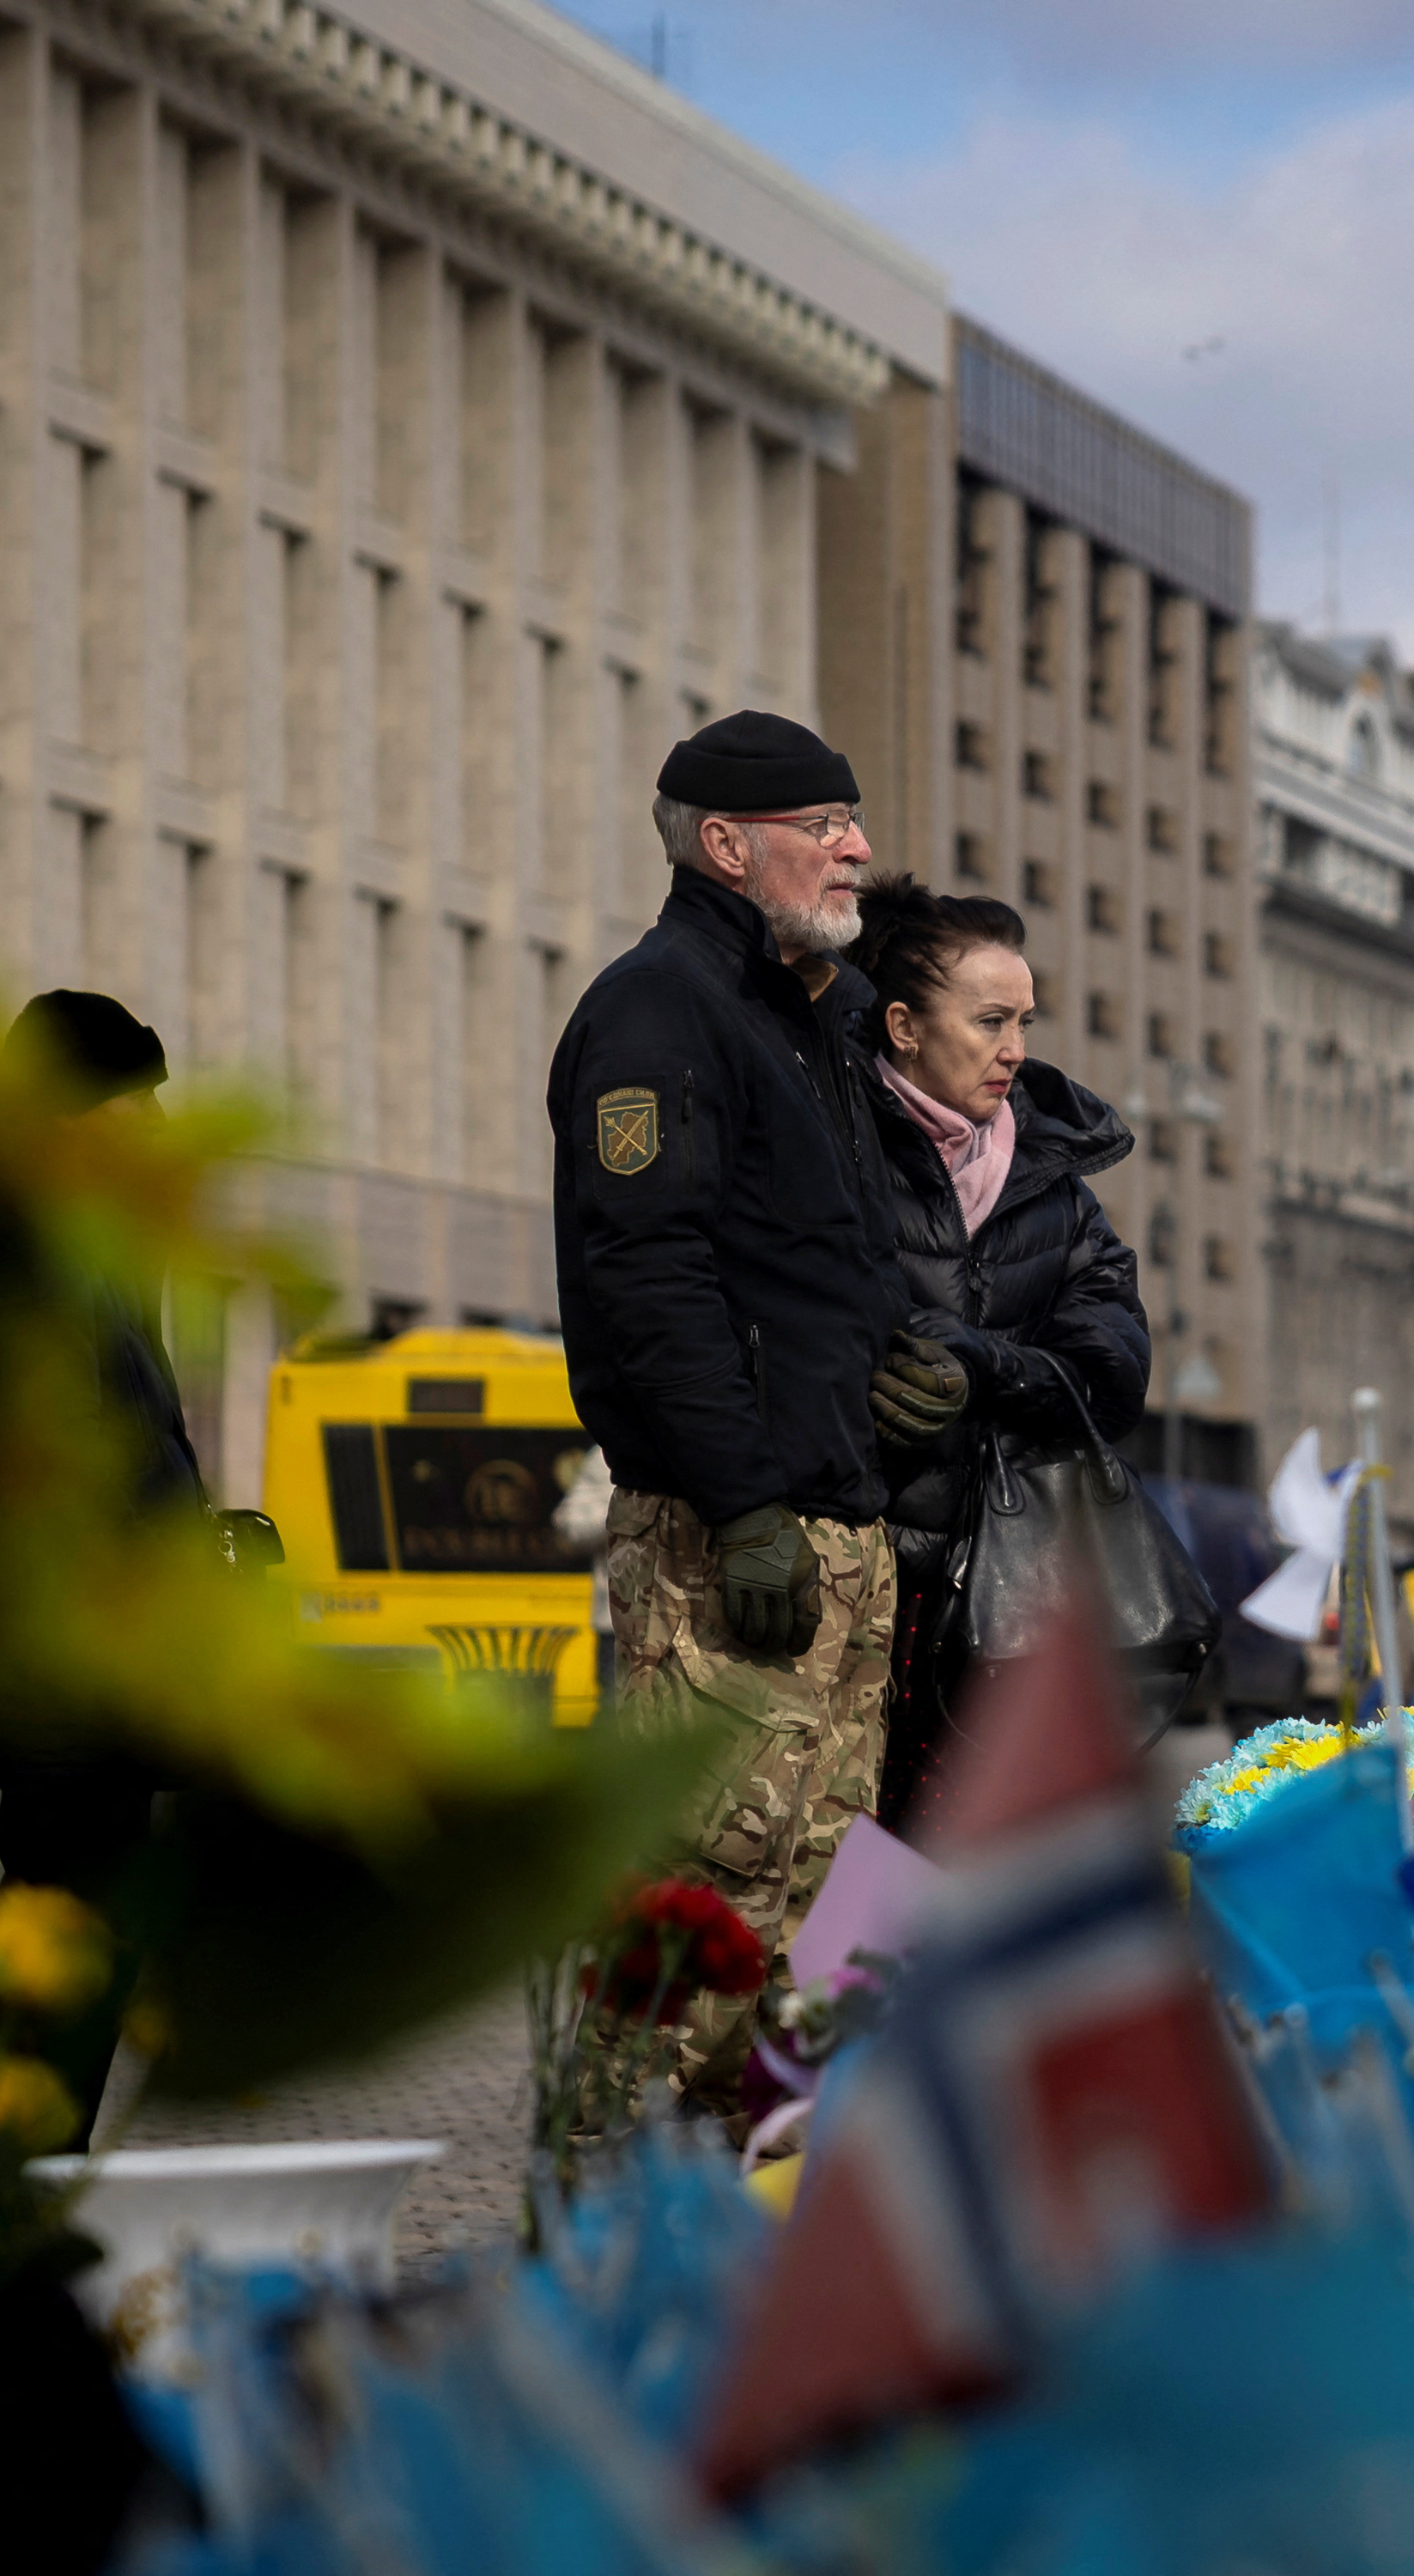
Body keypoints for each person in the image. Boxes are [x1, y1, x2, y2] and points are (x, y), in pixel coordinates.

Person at [546, 710, 915, 2111]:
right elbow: (648, 1277)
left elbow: (820, 1262)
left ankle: (766, 2243)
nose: (858, 851)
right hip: (730, 1549)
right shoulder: (660, 1011)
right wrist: (746, 1500)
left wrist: (907, 1371)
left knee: (825, 1935)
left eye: (852, 820)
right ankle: (611, 2229)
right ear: (723, 844)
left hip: (833, 1532)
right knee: (705, 1917)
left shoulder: (803, 1011)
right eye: (825, 829)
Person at [0, 993, 197, 2148]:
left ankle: (18, 2180)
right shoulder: (9, 1242)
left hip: (107, 1655)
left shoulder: (76, 1239)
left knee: (78, 1925)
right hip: (66, 1658)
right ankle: (3, 2190)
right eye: (129, 1108)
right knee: (62, 1923)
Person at [841, 874, 1150, 1831]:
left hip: (1010, 1594)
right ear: (901, 1025)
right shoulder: (833, 1149)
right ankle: (846, 1989)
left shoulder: (1055, 1183)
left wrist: (981, 1368)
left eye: (1024, 1020)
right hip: (862, 1584)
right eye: (988, 1021)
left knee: (988, 1875)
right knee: (855, 1871)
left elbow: (1115, 1369)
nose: (1015, 1050)